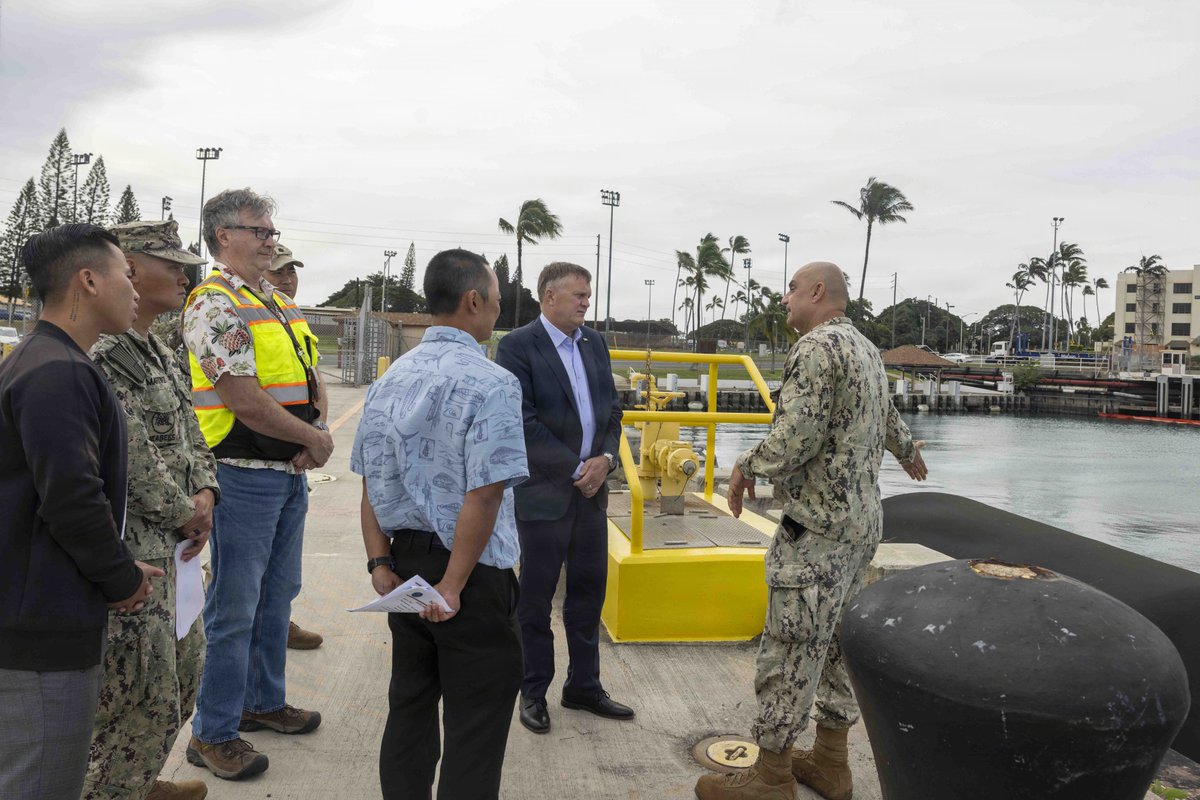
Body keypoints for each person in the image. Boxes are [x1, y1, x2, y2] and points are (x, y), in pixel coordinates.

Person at [695, 262, 928, 800]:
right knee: (836, 645)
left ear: (818, 293)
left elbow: (797, 435)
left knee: (791, 646)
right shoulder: (866, 350)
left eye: (793, 289)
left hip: (817, 530)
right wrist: (909, 451)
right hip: (861, 526)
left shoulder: (817, 348)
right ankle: (830, 761)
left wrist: (745, 464)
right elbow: (890, 418)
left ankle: (771, 776)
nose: (785, 299)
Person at [352, 249, 527, 800]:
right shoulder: (491, 381)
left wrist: (380, 563)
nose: (497, 313)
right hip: (467, 576)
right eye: (497, 303)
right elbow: (487, 490)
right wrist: (452, 585)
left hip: (404, 567)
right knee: (476, 721)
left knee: (410, 703)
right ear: (473, 301)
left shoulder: (390, 379)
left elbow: (371, 480)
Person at [0, 224, 160, 800]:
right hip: (42, 627)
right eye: (126, 273)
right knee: (40, 781)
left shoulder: (46, 359)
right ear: (88, 281)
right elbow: (71, 497)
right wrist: (119, 577)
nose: (135, 288)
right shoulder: (58, 370)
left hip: (35, 612)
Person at [182, 189, 331, 781]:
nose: (273, 240)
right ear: (224, 236)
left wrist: (316, 425)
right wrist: (312, 438)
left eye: (273, 230)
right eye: (261, 231)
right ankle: (212, 731)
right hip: (242, 476)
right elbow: (241, 397)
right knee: (235, 607)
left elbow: (308, 370)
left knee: (277, 597)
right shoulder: (214, 304)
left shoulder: (274, 299)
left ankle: (263, 702)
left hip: (286, 473)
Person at [81, 220, 218, 800]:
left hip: (177, 554)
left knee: (182, 677)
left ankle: (137, 778)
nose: (185, 274)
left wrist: (208, 492)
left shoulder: (157, 349)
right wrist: (185, 510)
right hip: (143, 552)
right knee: (139, 690)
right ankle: (111, 786)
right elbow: (130, 454)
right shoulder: (106, 355)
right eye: (172, 263)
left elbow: (191, 433)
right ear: (131, 268)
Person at [494, 262, 631, 735]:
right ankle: (533, 691)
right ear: (548, 298)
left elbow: (613, 411)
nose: (585, 303)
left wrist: (606, 461)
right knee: (534, 600)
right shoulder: (515, 346)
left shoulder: (594, 344)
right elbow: (521, 421)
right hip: (545, 496)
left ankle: (584, 687)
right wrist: (578, 467)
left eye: (587, 296)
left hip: (591, 496)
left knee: (589, 594)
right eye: (577, 295)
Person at [265, 242, 324, 652]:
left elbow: (313, 380)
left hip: (293, 461)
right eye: (278, 272)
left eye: (292, 272)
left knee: (281, 568)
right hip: (252, 461)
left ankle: (277, 620)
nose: (287, 280)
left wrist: (316, 430)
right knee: (245, 568)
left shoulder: (293, 317)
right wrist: (308, 438)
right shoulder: (239, 314)